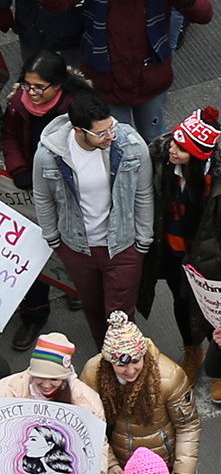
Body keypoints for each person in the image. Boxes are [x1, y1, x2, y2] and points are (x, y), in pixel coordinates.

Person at [40, 0, 211, 140]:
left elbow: (204, 14)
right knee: (118, 141)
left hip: (148, 80)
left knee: (153, 137)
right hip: (110, 82)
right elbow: (53, 3)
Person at [30, 91, 152, 345]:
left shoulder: (131, 145)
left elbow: (143, 192)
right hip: (77, 248)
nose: (110, 136)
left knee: (120, 315)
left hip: (123, 246)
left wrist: (143, 239)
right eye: (101, 133)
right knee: (93, 307)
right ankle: (104, 359)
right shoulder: (49, 156)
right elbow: (43, 198)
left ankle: (126, 362)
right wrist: (53, 238)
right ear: (78, 130)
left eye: (112, 128)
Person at [137, 109, 221, 380]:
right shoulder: (160, 159)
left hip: (209, 257)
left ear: (199, 156)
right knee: (181, 302)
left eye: (181, 148)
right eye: (175, 141)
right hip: (172, 251)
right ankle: (192, 351)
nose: (172, 149)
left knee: (215, 314)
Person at [1, 54, 81, 347]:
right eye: (26, 85)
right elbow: (10, 137)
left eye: (39, 87)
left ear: (58, 85)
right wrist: (19, 169)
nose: (31, 93)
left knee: (72, 249)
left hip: (70, 194)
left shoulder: (79, 110)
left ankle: (75, 289)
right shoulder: (16, 105)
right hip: (29, 193)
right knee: (29, 251)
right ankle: (34, 315)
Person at [78, 312, 200, 474]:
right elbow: (88, 422)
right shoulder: (92, 372)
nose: (130, 371)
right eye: (121, 365)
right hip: (119, 467)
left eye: (136, 361)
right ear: (108, 362)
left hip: (160, 464)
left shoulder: (170, 376)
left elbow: (188, 425)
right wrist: (109, 461)